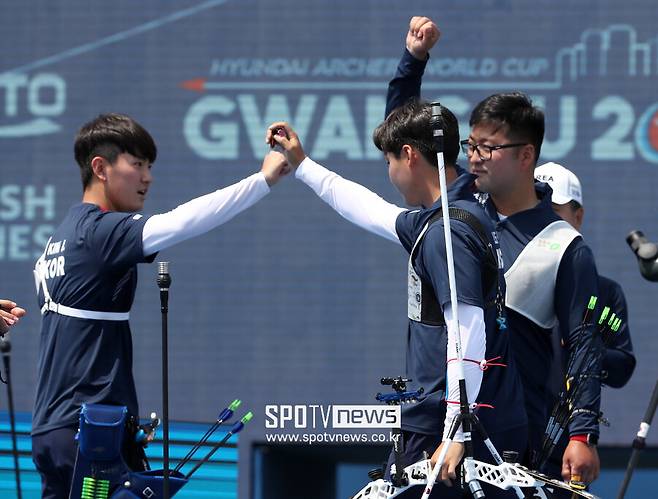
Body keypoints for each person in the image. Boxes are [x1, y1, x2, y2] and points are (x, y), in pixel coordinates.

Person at [267, 100, 527, 497]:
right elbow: (368, 209)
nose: (388, 174)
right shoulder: (454, 215)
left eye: (388, 161)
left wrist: (457, 431)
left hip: (447, 431)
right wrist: (302, 164)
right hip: (464, 419)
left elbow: (468, 328)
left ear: (409, 155)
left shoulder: (447, 233)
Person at [386, 16, 603, 485]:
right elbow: (407, 139)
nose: (476, 156)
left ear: (527, 156)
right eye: (472, 145)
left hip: (510, 439)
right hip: (436, 429)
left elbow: (584, 343)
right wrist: (414, 60)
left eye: (489, 147)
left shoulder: (565, 246)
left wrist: (582, 433)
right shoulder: (462, 208)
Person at [31, 113, 289, 498]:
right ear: (100, 168)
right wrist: (262, 180)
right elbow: (180, 223)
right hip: (91, 433)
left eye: (149, 166)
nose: (147, 178)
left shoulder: (61, 238)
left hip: (53, 430)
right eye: (136, 165)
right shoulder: (100, 233)